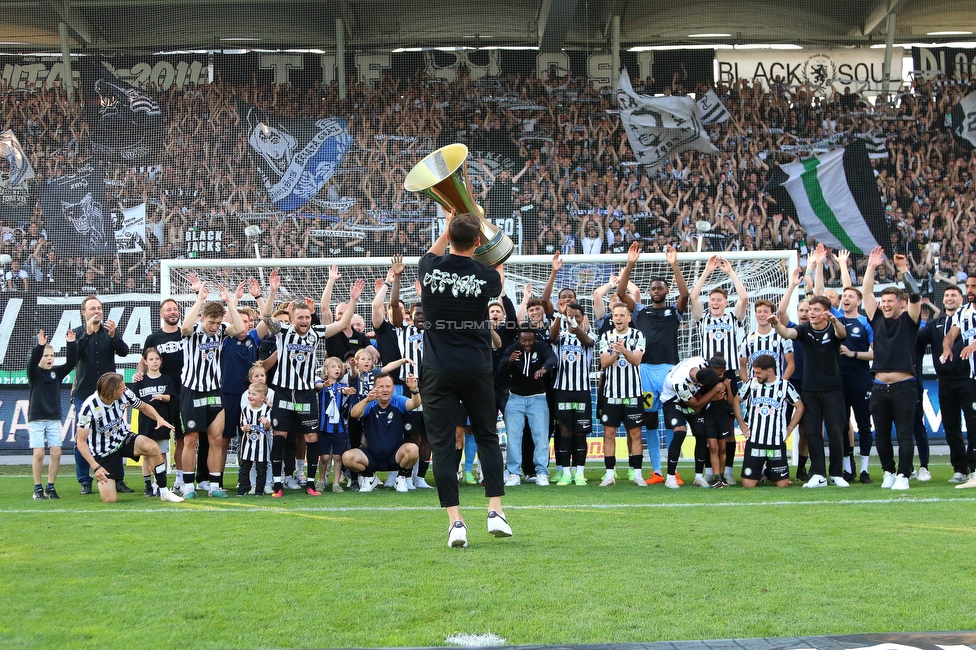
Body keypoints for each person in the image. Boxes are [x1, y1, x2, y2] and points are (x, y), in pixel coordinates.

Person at [418, 210, 510, 549]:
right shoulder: (486, 277)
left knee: (443, 446)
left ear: (448, 236)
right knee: (486, 436)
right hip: (476, 368)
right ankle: (495, 511)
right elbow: (499, 257)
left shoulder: (428, 268)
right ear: (474, 241)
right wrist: (484, 226)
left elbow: (433, 250)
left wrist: (450, 223)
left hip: (437, 370)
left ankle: (456, 522)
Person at [261, 269, 365, 497]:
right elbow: (267, 317)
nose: (304, 321)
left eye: (307, 317)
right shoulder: (283, 332)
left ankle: (310, 483)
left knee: (312, 438)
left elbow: (343, 323)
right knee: (280, 437)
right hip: (285, 392)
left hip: (307, 394)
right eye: (300, 317)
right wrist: (272, 292)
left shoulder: (316, 332)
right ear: (292, 319)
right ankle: (277, 485)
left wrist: (353, 300)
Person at [616, 242, 689, 485]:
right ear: (649, 292)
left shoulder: (674, 312)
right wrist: (630, 264)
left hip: (669, 371)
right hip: (645, 370)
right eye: (653, 288)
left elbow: (685, 295)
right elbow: (620, 293)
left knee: (670, 421)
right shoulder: (639, 313)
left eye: (660, 288)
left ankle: (672, 470)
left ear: (666, 291)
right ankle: (657, 471)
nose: (656, 290)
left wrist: (674, 264)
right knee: (650, 420)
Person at [770, 294, 848, 488]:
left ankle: (837, 473)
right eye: (809, 310)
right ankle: (819, 474)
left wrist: (835, 321)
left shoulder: (833, 327)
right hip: (810, 389)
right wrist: (775, 324)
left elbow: (842, 334)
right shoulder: (804, 330)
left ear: (825, 313)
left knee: (836, 431)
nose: (811, 313)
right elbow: (787, 334)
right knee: (812, 431)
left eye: (815, 310)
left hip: (833, 389)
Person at [178, 277, 246, 499]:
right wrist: (200, 299)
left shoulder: (222, 330)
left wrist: (230, 305)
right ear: (203, 318)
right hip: (192, 390)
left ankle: (214, 484)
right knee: (191, 439)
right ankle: (188, 485)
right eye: (211, 322)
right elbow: (186, 326)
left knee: (216, 439)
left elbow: (241, 328)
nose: (215, 327)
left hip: (214, 391)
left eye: (218, 323)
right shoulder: (193, 330)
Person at [862, 247, 921, 490]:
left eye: (890, 302)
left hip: (904, 387)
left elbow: (916, 294)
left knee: (905, 434)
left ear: (900, 304)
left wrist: (903, 270)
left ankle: (904, 475)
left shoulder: (909, 320)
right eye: (883, 301)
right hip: (879, 387)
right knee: (882, 435)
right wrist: (871, 266)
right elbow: (865, 292)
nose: (885, 305)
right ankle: (888, 471)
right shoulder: (876, 319)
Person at [74, 373, 184, 504]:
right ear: (112, 391)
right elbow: (80, 442)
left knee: (153, 447)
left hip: (123, 438)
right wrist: (96, 467)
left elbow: (143, 406)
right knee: (110, 500)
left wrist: (159, 418)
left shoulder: (125, 393)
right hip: (104, 452)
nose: (124, 389)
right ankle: (111, 480)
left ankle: (164, 491)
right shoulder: (88, 408)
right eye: (121, 388)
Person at [689, 254, 748, 485]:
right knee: (705, 425)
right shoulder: (702, 319)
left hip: (730, 374)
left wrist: (731, 272)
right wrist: (706, 271)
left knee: (729, 426)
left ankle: (729, 471)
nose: (715, 302)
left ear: (725, 302)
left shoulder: (734, 318)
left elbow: (743, 297)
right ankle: (707, 471)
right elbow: (693, 296)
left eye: (719, 299)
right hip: (706, 376)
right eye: (712, 299)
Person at [71, 294, 131, 495]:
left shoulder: (109, 332)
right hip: (84, 393)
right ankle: (84, 480)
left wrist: (115, 337)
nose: (97, 311)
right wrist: (87, 334)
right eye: (92, 308)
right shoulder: (77, 333)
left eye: (99, 308)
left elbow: (124, 351)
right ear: (83, 312)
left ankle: (118, 479)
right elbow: (73, 357)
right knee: (83, 437)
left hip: (108, 395)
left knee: (115, 434)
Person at [919, 284, 976, 484]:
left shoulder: (969, 318)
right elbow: (917, 339)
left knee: (973, 424)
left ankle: (974, 466)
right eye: (946, 295)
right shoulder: (935, 324)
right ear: (942, 301)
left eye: (954, 295)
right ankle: (960, 469)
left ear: (961, 300)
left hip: (968, 379)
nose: (950, 298)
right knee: (951, 428)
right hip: (944, 381)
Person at [137, 298, 188, 490]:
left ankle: (181, 478)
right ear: (161, 314)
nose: (173, 312)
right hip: (161, 397)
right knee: (158, 441)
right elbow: (143, 361)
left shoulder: (186, 334)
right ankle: (157, 482)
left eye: (175, 309)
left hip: (183, 394)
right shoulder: (153, 339)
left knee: (183, 438)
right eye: (168, 310)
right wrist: (139, 374)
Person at [733, 354, 804, 489]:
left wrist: (790, 428)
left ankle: (767, 471)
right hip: (755, 440)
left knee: (783, 485)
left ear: (770, 371)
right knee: (748, 485)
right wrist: (742, 425)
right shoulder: (750, 384)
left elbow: (799, 406)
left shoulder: (784, 386)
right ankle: (759, 471)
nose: (755, 375)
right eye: (754, 372)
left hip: (775, 441)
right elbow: (736, 401)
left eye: (758, 372)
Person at [344, 372, 421, 493]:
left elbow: (414, 404)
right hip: (370, 457)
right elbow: (354, 413)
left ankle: (400, 478)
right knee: (347, 458)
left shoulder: (398, 401)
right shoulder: (370, 403)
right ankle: (370, 477)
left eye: (388, 386)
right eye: (381, 386)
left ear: (393, 388)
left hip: (395, 456)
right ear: (375, 388)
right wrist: (366, 400)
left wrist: (414, 390)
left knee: (413, 449)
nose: (385, 390)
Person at [499, 326, 557, 486]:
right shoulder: (512, 349)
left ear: (534, 338)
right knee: (514, 438)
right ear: (518, 338)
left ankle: (542, 473)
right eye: (523, 340)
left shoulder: (542, 346)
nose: (527, 343)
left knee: (541, 438)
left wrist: (544, 368)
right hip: (515, 399)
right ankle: (513, 473)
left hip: (538, 399)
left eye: (530, 340)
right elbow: (500, 368)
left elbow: (553, 359)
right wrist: (509, 361)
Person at [597, 303, 646, 487]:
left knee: (635, 434)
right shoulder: (606, 336)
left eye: (621, 315)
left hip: (633, 393)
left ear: (629, 318)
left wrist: (623, 350)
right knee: (609, 434)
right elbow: (604, 362)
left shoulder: (638, 335)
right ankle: (610, 474)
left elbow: (637, 360)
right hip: (611, 394)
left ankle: (637, 474)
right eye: (615, 315)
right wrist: (616, 354)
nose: (618, 318)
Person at [660, 356, 725, 489]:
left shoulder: (700, 361)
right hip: (672, 402)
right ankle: (670, 477)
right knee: (680, 433)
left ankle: (698, 477)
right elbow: (696, 406)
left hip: (691, 398)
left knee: (701, 433)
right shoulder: (680, 383)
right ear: (701, 384)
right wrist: (714, 392)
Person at [27, 328, 77, 500]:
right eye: (45, 355)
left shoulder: (56, 373)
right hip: (36, 419)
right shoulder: (34, 373)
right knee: (39, 453)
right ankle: (37, 488)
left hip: (54, 418)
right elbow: (32, 361)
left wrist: (71, 343)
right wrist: (39, 346)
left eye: (51, 355)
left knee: (56, 453)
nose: (49, 359)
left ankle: (51, 486)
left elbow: (71, 363)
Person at [549, 300, 595, 486]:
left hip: (582, 392)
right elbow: (551, 338)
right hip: (562, 391)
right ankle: (566, 473)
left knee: (580, 433)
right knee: (565, 431)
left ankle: (580, 473)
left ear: (583, 318)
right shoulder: (560, 337)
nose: (573, 320)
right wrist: (560, 315)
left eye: (577, 316)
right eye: (571, 317)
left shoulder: (590, 336)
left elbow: (588, 342)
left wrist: (575, 325)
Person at [131, 347, 176, 497]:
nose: (154, 361)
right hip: (145, 422)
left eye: (157, 359)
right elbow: (133, 399)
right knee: (146, 455)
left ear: (161, 361)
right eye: (151, 359)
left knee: (161, 454)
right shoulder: (140, 380)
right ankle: (147, 485)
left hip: (162, 421)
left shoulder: (167, 378)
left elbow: (170, 397)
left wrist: (161, 396)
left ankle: (159, 483)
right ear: (145, 362)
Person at [315, 357, 356, 493]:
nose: (337, 369)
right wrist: (324, 385)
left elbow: (345, 391)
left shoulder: (341, 387)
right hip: (323, 427)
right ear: (326, 370)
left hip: (338, 428)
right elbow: (317, 387)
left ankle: (336, 482)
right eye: (333, 367)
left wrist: (348, 392)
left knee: (338, 457)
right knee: (325, 457)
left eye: (339, 367)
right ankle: (321, 480)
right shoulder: (321, 384)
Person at [236, 381, 272, 497]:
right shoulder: (245, 410)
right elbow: (242, 425)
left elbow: (269, 427)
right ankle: (241, 490)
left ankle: (259, 490)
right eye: (249, 393)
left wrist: (266, 423)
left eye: (253, 394)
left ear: (262, 397)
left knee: (261, 469)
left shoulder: (267, 410)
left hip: (262, 447)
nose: (250, 396)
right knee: (245, 468)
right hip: (247, 446)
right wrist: (244, 427)